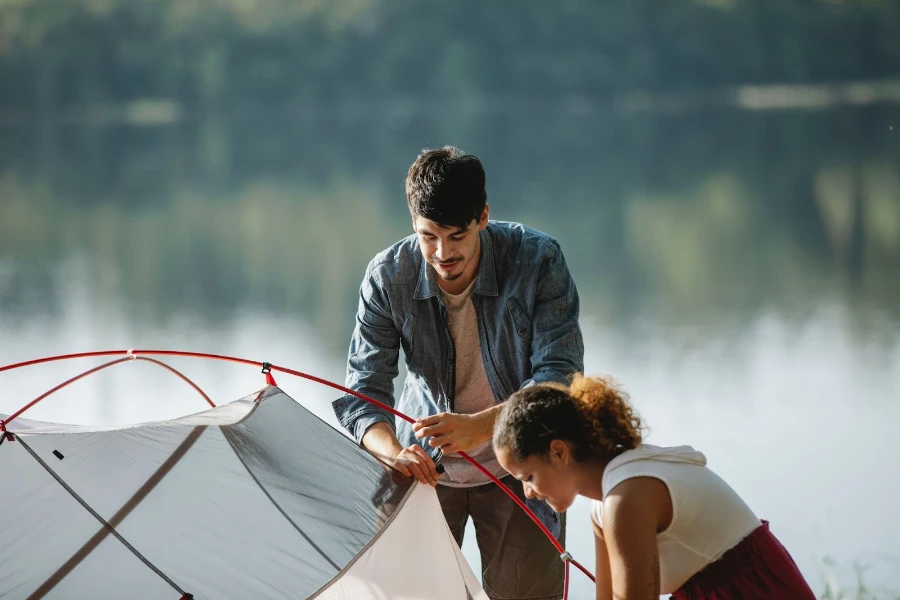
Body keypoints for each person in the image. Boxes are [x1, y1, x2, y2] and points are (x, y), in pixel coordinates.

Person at [333, 146, 584, 600]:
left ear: (483, 216)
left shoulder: (539, 261)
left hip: (523, 472)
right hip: (423, 472)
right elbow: (362, 394)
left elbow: (560, 381)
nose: (443, 253)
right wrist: (392, 453)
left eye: (456, 235)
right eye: (429, 236)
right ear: (413, 224)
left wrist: (483, 427)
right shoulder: (387, 277)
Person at [492, 374, 817, 600]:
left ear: (559, 451)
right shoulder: (604, 504)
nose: (529, 493)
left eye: (528, 477)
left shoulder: (627, 496)